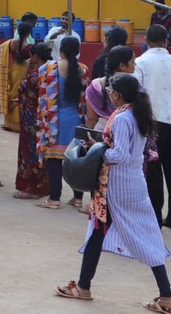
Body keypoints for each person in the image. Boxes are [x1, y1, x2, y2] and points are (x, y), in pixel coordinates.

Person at [53, 74, 171, 313]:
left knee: (125, 236)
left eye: (110, 91)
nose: (108, 93)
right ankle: (84, 286)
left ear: (117, 95)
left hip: (115, 188)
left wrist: (96, 152)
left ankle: (166, 295)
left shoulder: (121, 118)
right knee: (107, 233)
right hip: (133, 185)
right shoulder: (137, 115)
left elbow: (120, 155)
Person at [136, 24, 171, 230]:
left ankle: (155, 217)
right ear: (166, 41)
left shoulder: (140, 63)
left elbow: (136, 95)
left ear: (146, 41)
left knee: (153, 169)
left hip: (152, 122)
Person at [36, 36, 88, 209]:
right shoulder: (83, 70)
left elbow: (41, 91)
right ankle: (78, 198)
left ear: (61, 51)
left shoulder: (48, 68)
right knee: (76, 160)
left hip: (55, 121)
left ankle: (54, 199)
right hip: (75, 119)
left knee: (54, 161)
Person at [13, 43, 52, 200]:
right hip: (42, 116)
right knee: (41, 150)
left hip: (31, 119)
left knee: (29, 151)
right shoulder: (51, 71)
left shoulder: (36, 74)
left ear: (35, 57)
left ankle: (31, 188)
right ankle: (43, 186)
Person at [86, 46, 136, 132]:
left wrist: (86, 138)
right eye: (133, 62)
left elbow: (91, 118)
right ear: (122, 65)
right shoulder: (133, 86)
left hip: (100, 133)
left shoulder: (95, 85)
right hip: (126, 132)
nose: (135, 65)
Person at [0, 22, 34, 133]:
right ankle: (17, 123)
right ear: (28, 34)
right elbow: (31, 62)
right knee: (20, 95)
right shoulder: (28, 47)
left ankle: (8, 122)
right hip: (23, 72)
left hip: (12, 70)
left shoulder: (10, 43)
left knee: (11, 94)